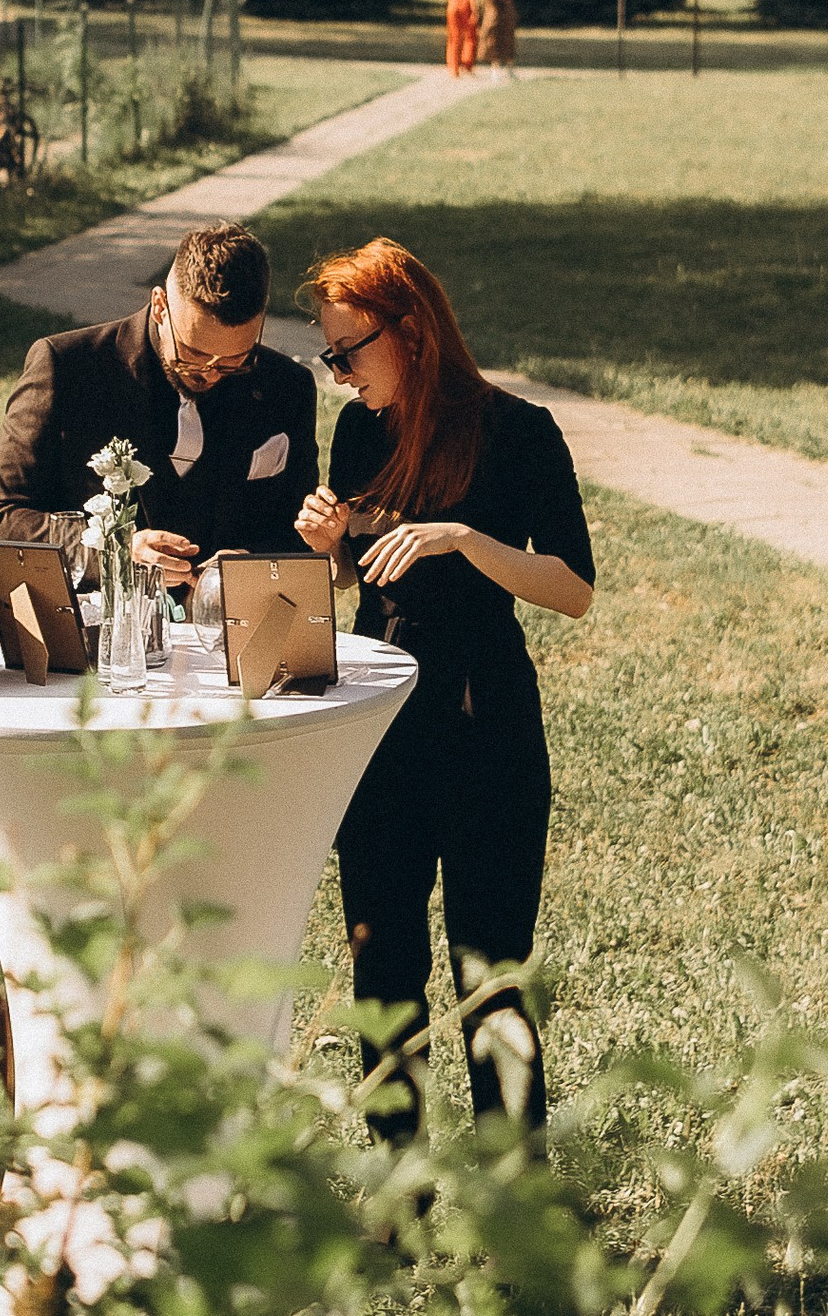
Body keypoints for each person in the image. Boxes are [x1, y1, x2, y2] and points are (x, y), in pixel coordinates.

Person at [297, 235, 594, 1137]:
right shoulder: (359, 430)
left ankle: (515, 1192)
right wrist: (330, 548)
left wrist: (461, 539)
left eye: (348, 352)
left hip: (483, 715)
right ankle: (400, 1188)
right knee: (382, 971)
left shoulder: (519, 432)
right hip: (378, 716)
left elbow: (573, 588)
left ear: (412, 332)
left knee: (490, 977)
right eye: (329, 355)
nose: (339, 375)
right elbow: (356, 578)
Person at [0, 219, 318, 584]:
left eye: (235, 360)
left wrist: (251, 565)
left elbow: (297, 531)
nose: (210, 373)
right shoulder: (68, 367)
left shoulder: (288, 387)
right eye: (192, 354)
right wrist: (114, 550)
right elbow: (0, 513)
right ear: (159, 306)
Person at [477, 0, 523, 76]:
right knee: (499, 39)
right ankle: (501, 67)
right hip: (499, 12)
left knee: (500, 39)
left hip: (496, 13)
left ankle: (500, 68)